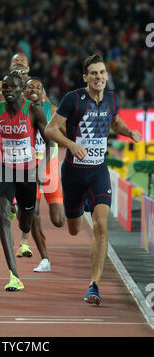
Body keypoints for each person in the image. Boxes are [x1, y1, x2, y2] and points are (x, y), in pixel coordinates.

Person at [44, 54, 141, 304]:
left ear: (107, 76)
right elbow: (51, 129)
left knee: (100, 224)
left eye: (102, 73)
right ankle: (80, 205)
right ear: (85, 77)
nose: (99, 77)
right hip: (74, 173)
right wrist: (71, 145)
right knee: (75, 228)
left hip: (98, 171)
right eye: (93, 73)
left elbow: (115, 122)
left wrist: (129, 132)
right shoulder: (73, 99)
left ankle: (93, 286)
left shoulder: (112, 99)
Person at [0, 73, 53, 291]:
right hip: (5, 170)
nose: (7, 90)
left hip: (28, 173)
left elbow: (50, 143)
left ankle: (20, 214)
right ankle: (14, 275)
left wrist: (40, 167)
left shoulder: (33, 110)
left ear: (21, 90)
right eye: (4, 87)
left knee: (26, 223)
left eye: (12, 87)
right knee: (1, 215)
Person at [17, 77, 65, 272]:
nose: (34, 90)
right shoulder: (18, 110)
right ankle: (45, 259)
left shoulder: (52, 111)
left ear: (43, 92)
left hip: (49, 168)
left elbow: (66, 132)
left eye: (38, 87)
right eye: (30, 87)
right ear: (24, 92)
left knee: (58, 220)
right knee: (34, 214)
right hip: (28, 169)